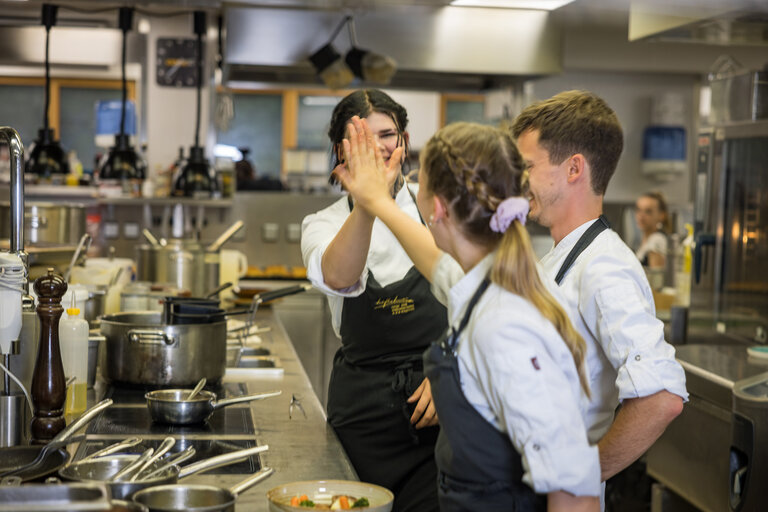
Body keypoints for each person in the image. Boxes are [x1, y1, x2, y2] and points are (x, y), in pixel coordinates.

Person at [336, 119, 600, 511]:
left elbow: (574, 493)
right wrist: (377, 202)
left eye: (416, 181)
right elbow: (435, 264)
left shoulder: (505, 325)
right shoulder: (483, 284)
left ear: (436, 208)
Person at [510, 91, 687, 494]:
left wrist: (584, 477)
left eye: (528, 167)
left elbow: (662, 397)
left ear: (574, 168)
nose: (521, 182)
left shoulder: (606, 267)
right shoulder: (564, 254)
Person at [300, 90, 444, 512]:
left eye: (387, 134)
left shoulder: (436, 205)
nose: (378, 146)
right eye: (361, 137)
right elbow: (339, 276)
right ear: (340, 150)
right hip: (362, 415)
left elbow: (471, 291)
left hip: (436, 411)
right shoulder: (323, 222)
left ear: (404, 140)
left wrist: (451, 368)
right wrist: (367, 203)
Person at [634, 191, 671, 269]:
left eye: (648, 211)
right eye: (638, 210)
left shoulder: (656, 240)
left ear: (661, 215)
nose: (641, 216)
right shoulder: (648, 239)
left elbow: (656, 278)